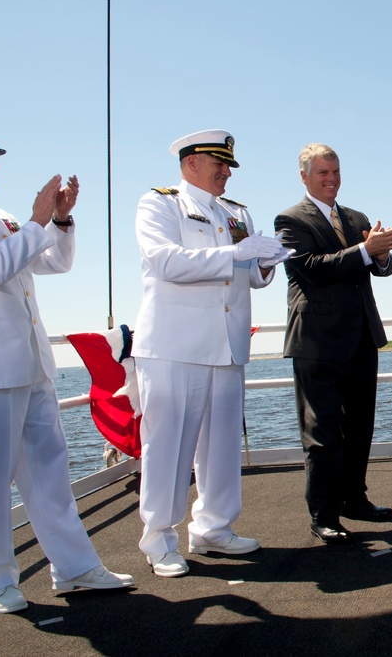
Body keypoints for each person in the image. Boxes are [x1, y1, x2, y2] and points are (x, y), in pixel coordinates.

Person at [0, 116, 134, 614]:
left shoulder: (0, 217)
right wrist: (36, 223)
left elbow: (53, 263)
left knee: (50, 475)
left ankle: (75, 569)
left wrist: (57, 221)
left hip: (31, 365)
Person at [132, 129, 290, 576]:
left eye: (229, 164)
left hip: (227, 341)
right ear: (190, 164)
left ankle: (213, 528)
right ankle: (159, 538)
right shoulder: (160, 204)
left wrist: (263, 262)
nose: (226, 171)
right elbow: (165, 261)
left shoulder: (235, 212)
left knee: (221, 445)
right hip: (174, 344)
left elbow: (250, 278)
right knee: (169, 447)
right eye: (218, 163)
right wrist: (234, 253)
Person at [274, 144, 392, 544]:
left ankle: (354, 499)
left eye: (335, 172)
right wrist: (367, 250)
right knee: (322, 432)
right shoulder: (289, 220)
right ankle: (324, 514)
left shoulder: (357, 218)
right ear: (304, 176)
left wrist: (380, 256)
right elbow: (311, 269)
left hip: (360, 336)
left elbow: (381, 268)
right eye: (322, 173)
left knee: (360, 425)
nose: (331, 179)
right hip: (316, 343)